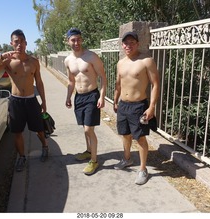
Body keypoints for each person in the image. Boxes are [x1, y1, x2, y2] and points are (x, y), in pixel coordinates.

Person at [0, 29, 48, 172]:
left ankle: (45, 146)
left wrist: (44, 101)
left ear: (26, 43)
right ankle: (21, 157)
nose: (19, 44)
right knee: (17, 132)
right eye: (16, 42)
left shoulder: (33, 62)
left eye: (22, 41)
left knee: (39, 129)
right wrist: (2, 56)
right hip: (16, 101)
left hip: (31, 100)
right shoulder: (8, 61)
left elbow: (39, 82)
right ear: (11, 43)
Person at [113, 31, 160, 185]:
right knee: (125, 135)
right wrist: (115, 100)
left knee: (140, 138)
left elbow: (155, 85)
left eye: (132, 42)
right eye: (126, 43)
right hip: (123, 105)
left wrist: (152, 106)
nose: (129, 45)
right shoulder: (120, 63)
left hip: (138, 105)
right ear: (122, 45)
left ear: (137, 44)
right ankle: (127, 159)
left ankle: (143, 169)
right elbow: (118, 84)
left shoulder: (146, 61)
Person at [64, 28, 107, 175]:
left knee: (89, 129)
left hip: (92, 96)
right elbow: (71, 81)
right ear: (68, 41)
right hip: (79, 97)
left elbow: (103, 77)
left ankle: (94, 161)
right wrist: (68, 96)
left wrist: (101, 96)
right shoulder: (68, 60)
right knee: (84, 128)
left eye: (79, 39)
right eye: (73, 40)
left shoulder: (91, 56)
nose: (76, 42)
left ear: (82, 40)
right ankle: (89, 151)